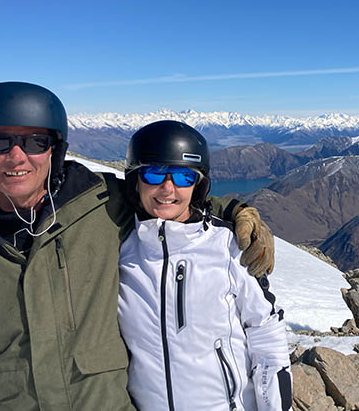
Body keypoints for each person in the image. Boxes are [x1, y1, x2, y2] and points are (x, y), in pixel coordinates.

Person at [0, 81, 275, 410]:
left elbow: (167, 202)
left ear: (54, 150)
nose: (18, 157)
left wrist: (237, 212)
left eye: (35, 142)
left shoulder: (94, 201)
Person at [118, 120, 292, 411]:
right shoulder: (122, 250)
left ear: (198, 185)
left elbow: (265, 334)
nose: (167, 188)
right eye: (154, 173)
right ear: (135, 180)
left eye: (184, 177)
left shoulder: (228, 247)